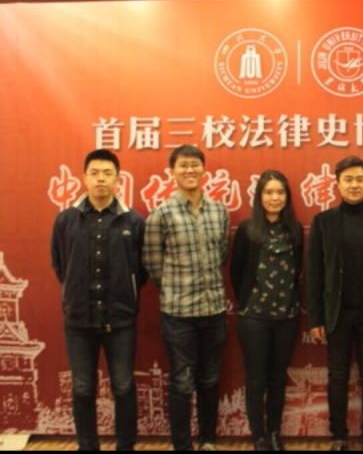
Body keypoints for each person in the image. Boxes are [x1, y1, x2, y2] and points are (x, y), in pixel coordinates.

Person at [51, 149, 146, 451]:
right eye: (94, 173)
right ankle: (87, 446)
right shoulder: (66, 220)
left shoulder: (133, 220)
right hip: (79, 319)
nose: (101, 179)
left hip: (120, 319)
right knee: (82, 388)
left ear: (118, 179)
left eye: (107, 173)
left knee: (123, 386)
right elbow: (59, 265)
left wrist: (126, 294)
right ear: (84, 178)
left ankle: (125, 446)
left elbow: (141, 269)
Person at [306, 156, 363, 451]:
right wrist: (315, 318)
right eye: (348, 179)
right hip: (337, 314)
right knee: (337, 376)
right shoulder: (323, 222)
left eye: (360, 179)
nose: (354, 185)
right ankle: (339, 436)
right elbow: (313, 273)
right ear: (337, 184)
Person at [143, 145, 230, 451]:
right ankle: (182, 445)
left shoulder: (219, 211)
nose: (190, 170)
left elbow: (221, 255)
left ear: (204, 170)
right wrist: (176, 290)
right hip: (178, 314)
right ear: (172, 172)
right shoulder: (161, 214)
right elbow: (153, 263)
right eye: (183, 165)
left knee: (210, 379)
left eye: (195, 165)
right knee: (181, 381)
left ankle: (208, 440)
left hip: (213, 310)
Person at [230, 170, 303, 451]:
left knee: (277, 378)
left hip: (287, 316)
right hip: (254, 318)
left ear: (287, 197)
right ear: (259, 196)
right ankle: (258, 436)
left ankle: (274, 433)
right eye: (269, 192)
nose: (275, 198)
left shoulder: (294, 230)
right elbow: (236, 273)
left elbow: (297, 270)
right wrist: (247, 303)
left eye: (280, 192)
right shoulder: (248, 230)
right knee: (256, 379)